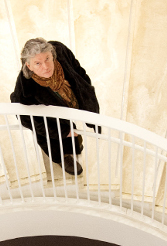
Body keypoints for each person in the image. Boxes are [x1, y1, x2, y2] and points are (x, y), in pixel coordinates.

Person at [10, 37, 100, 176]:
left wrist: (85, 88)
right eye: (38, 63)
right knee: (57, 142)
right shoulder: (25, 87)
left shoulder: (60, 50)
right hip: (50, 123)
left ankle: (74, 144)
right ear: (29, 66)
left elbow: (78, 69)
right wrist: (62, 132)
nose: (46, 67)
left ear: (52, 54)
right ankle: (62, 157)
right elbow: (27, 119)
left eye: (47, 59)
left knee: (75, 138)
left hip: (69, 105)